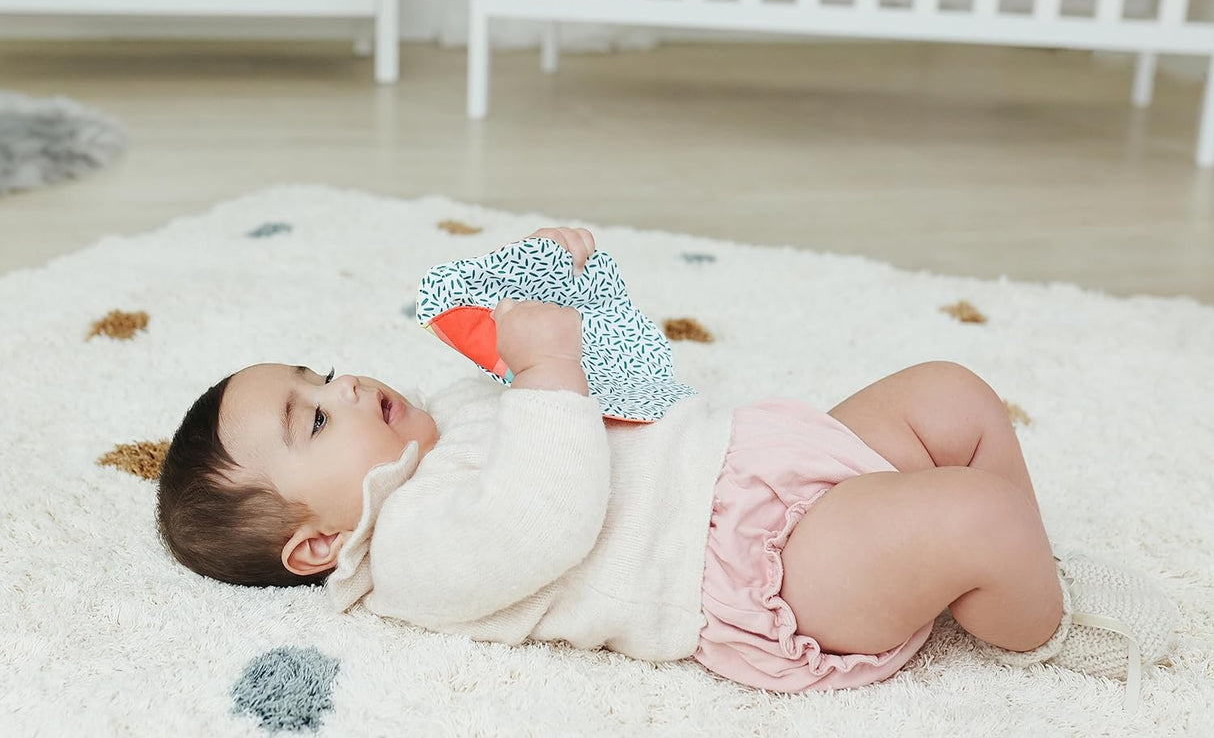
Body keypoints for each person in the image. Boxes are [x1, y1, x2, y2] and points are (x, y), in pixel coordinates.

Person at [156, 226, 1176, 704]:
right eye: (313, 418)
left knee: (950, 392)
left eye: (322, 373)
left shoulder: (447, 413)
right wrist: (544, 368)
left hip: (752, 460)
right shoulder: (411, 555)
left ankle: (1014, 566)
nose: (343, 386)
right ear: (317, 544)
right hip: (757, 571)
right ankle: (1038, 624)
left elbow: (619, 387)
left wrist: (561, 294)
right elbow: (547, 512)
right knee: (970, 515)